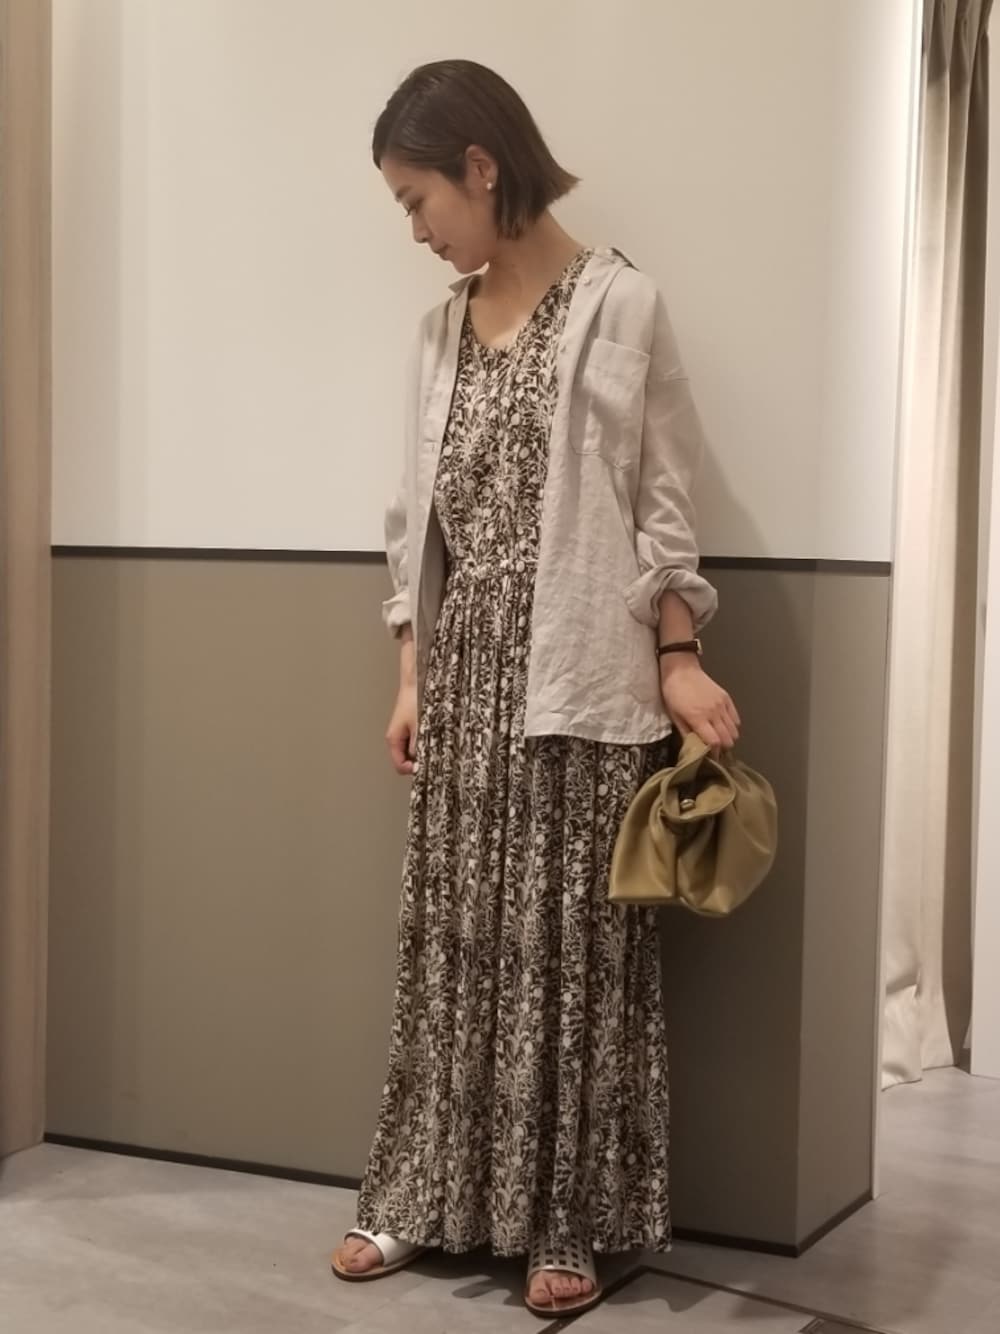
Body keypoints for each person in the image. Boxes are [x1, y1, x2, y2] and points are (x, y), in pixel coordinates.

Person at [331, 59, 740, 1320]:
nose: (414, 230)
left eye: (417, 200)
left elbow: (661, 500)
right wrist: (411, 674)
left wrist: (677, 655)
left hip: (580, 673)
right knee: (454, 947)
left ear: (479, 166)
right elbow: (415, 525)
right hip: (463, 680)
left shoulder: (622, 305)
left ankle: (567, 1218)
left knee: (571, 957)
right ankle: (421, 1191)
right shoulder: (437, 334)